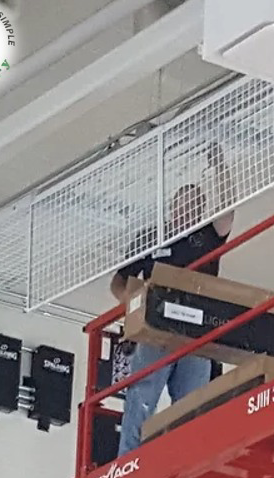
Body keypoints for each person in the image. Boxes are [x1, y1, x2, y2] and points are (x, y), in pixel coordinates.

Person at [111, 154, 235, 457]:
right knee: (143, 393)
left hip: (197, 332)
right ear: (172, 208)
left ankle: (184, 460)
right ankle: (129, 459)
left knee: (192, 401)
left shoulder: (207, 235)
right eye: (184, 202)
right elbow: (119, 281)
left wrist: (219, 165)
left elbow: (229, 210)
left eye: (197, 203)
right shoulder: (151, 237)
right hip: (157, 326)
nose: (190, 208)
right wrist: (136, 304)